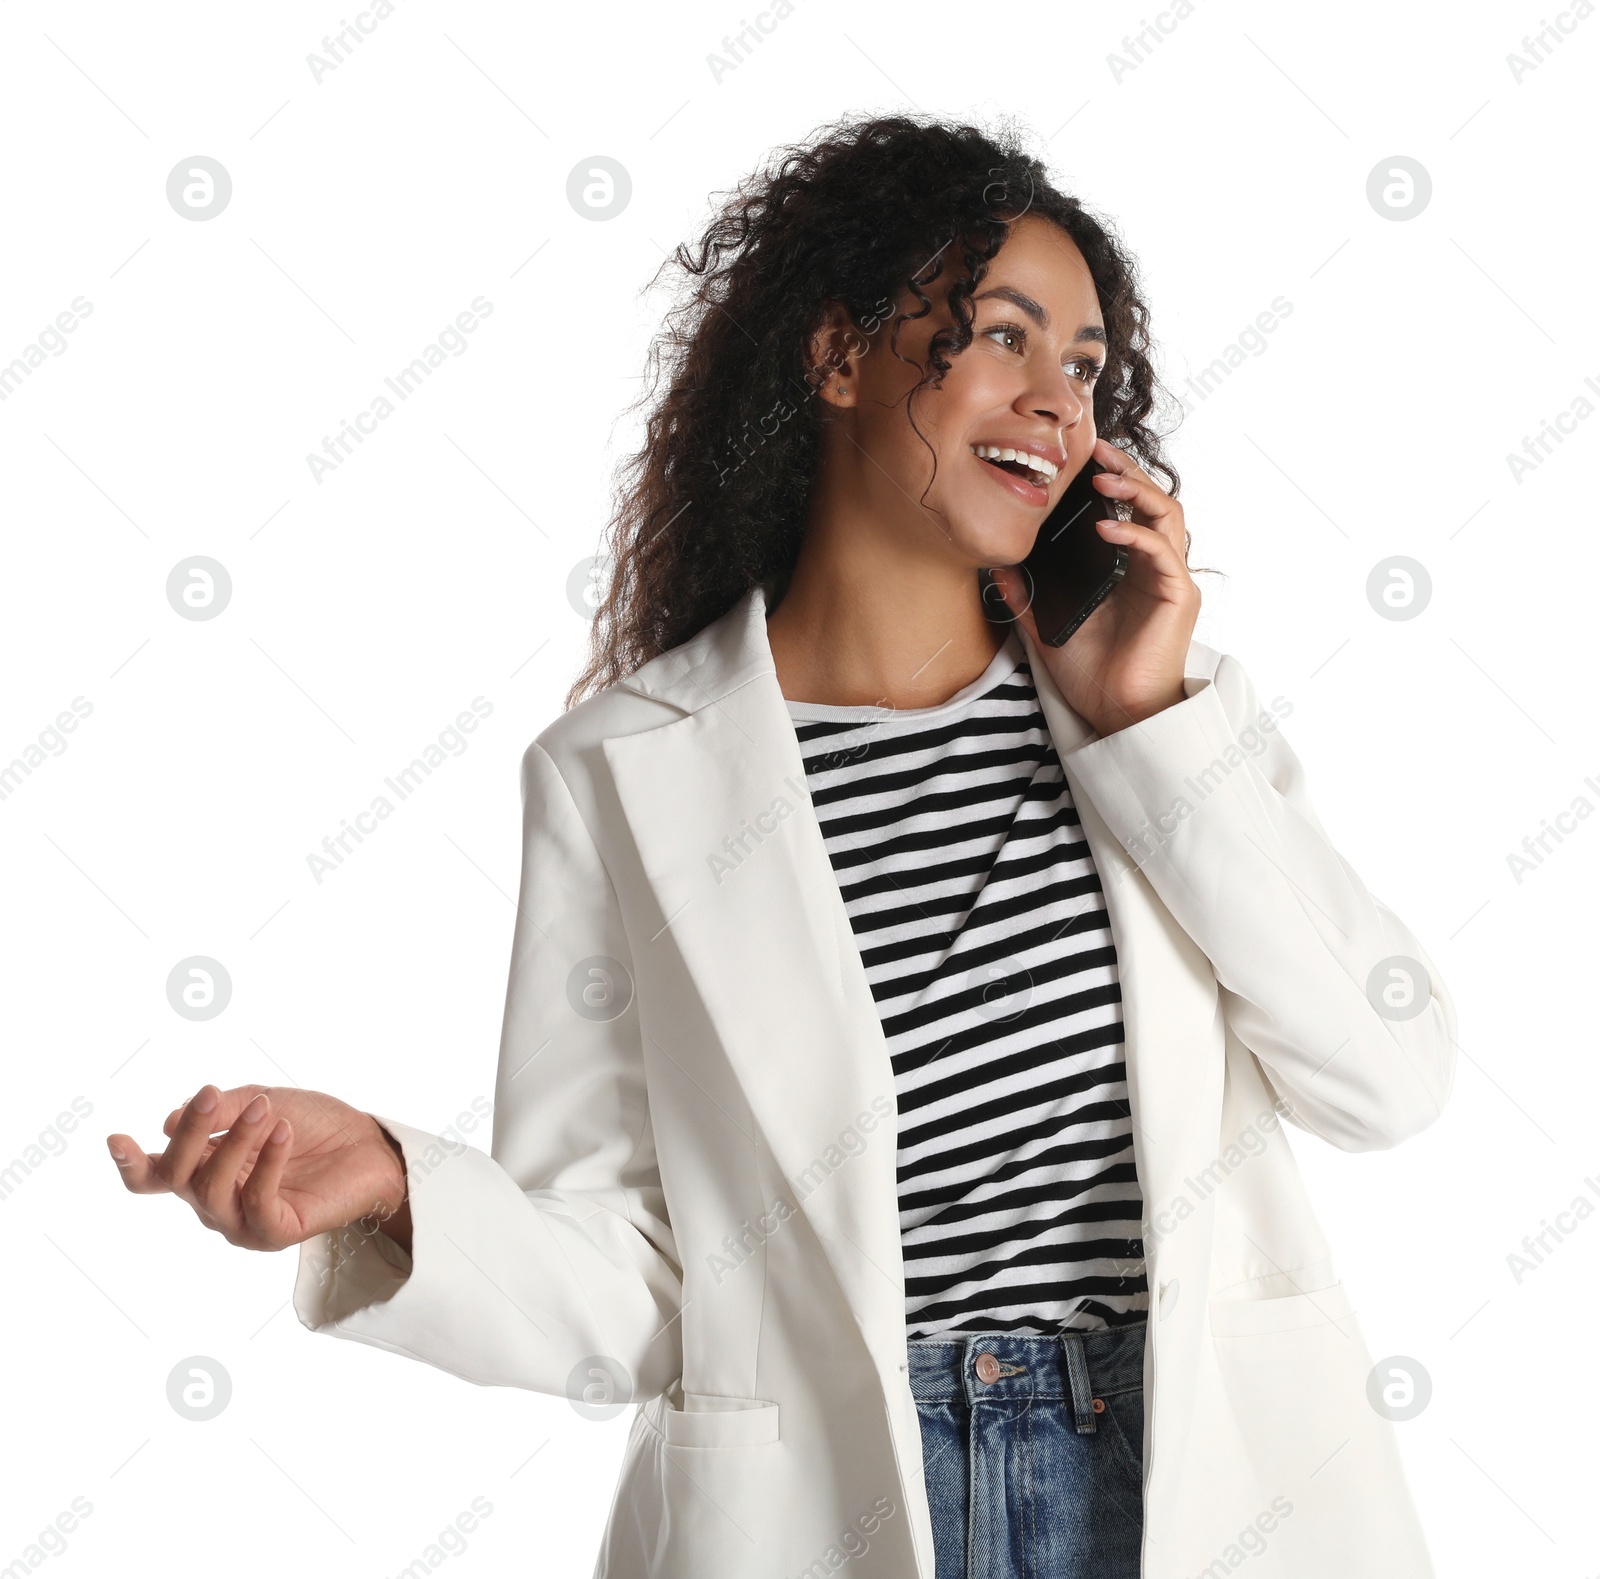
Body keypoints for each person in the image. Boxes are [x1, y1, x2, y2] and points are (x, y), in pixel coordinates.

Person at [106, 113, 1457, 1579]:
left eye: (1083, 362)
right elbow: (638, 1289)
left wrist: (1148, 727)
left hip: (1189, 1478)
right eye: (1002, 336)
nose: (1060, 402)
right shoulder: (621, 774)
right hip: (837, 1509)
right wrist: (394, 1184)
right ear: (838, 357)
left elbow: (1388, 1080)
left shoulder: (1153, 725)